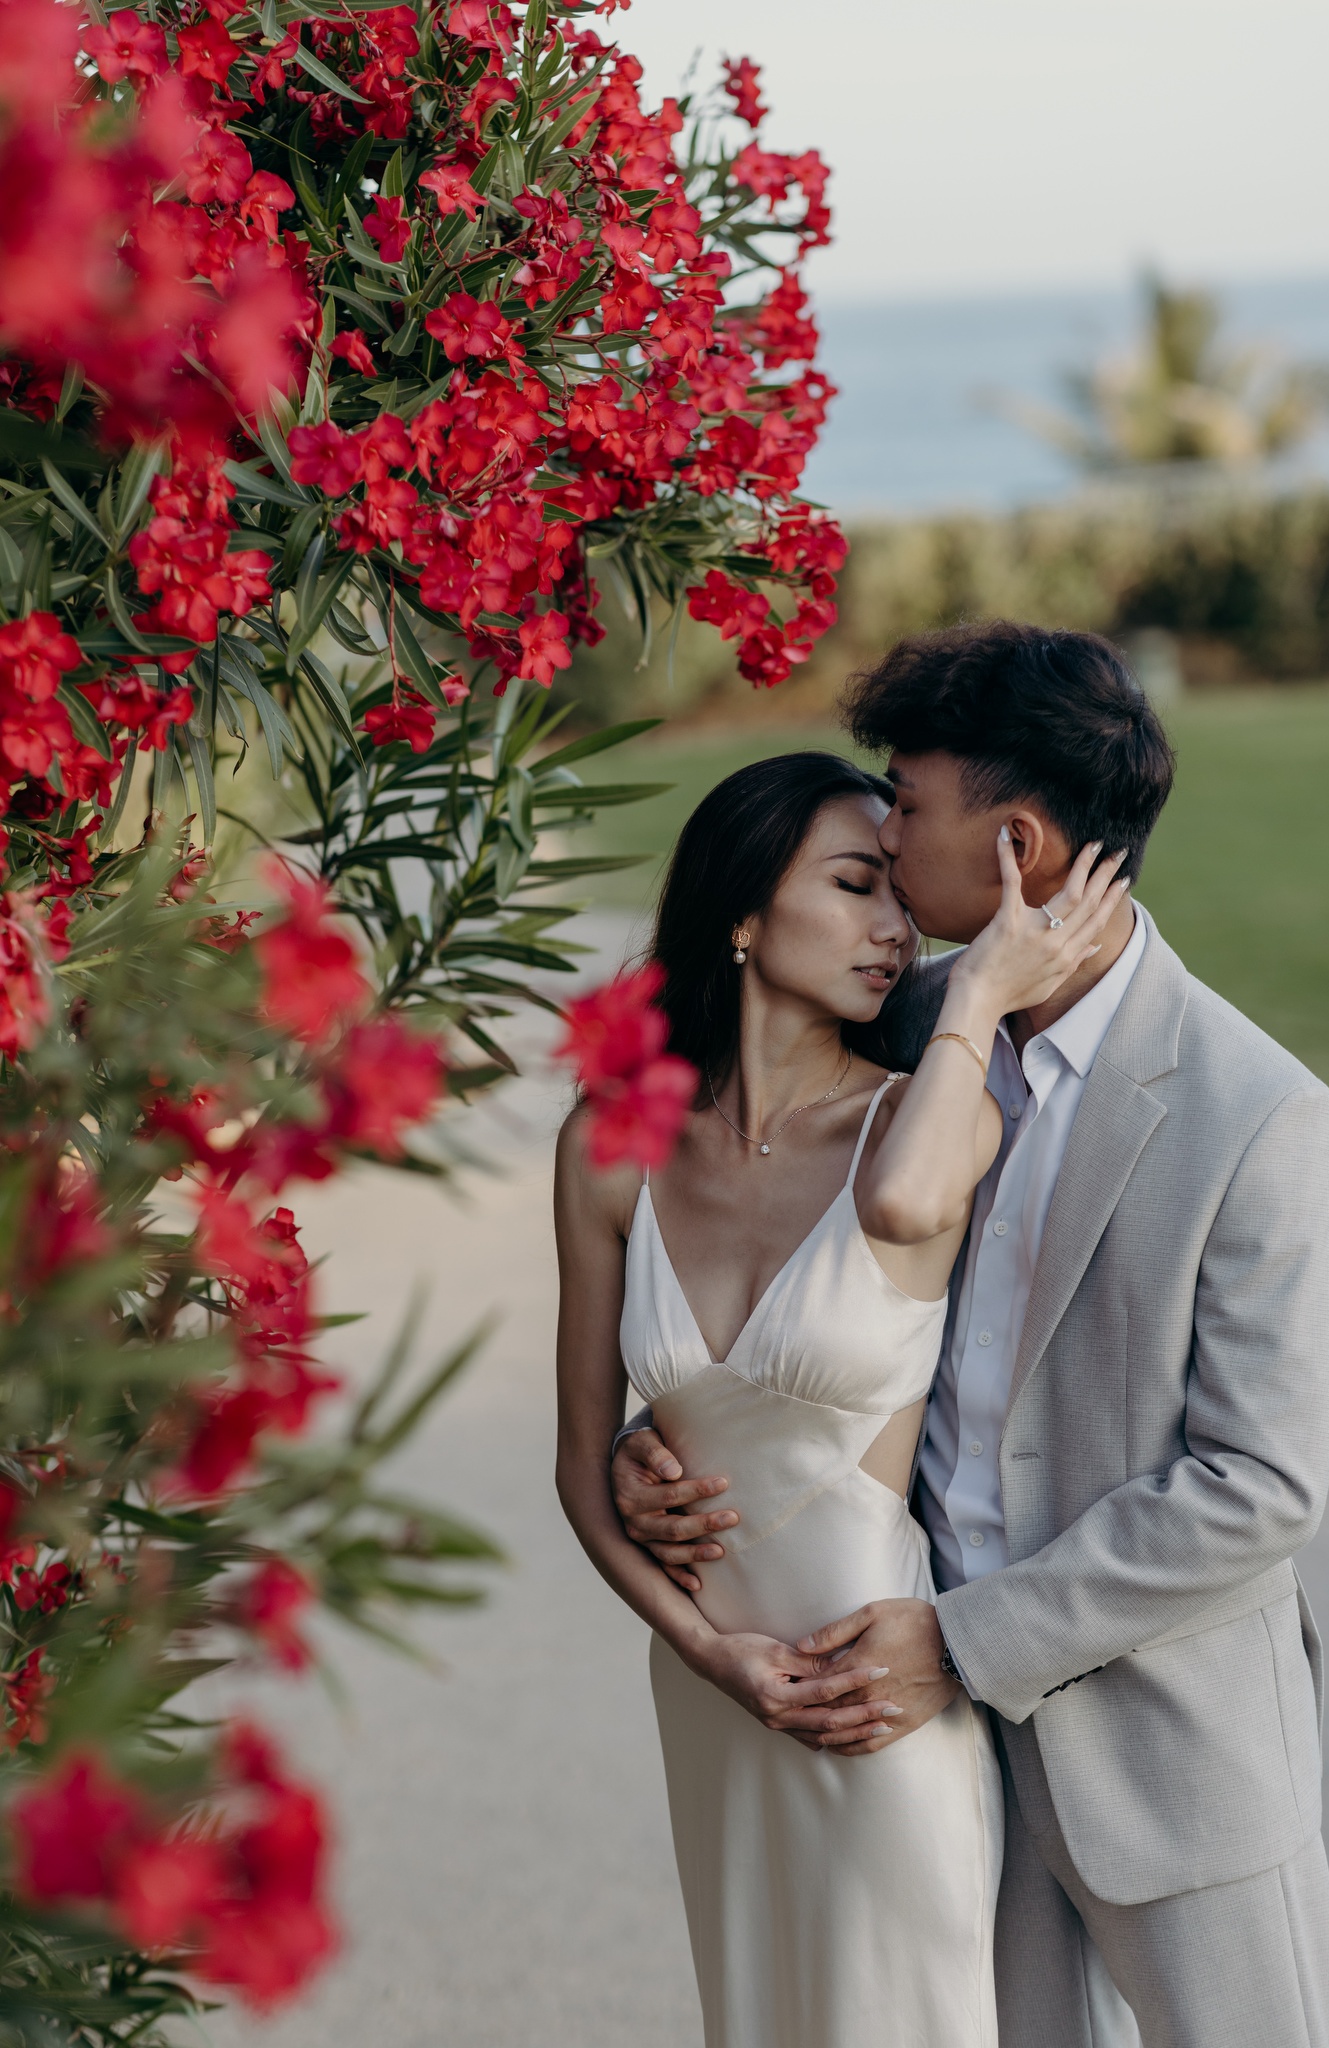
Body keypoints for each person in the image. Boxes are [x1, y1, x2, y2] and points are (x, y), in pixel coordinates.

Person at [611, 622, 1329, 2048]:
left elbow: (1255, 1489)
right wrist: (674, 1431)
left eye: (907, 802)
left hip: (1169, 1753)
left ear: (1017, 848)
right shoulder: (907, 1021)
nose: (883, 835)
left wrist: (960, 1640)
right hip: (930, 1766)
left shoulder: (1252, 1114)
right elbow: (794, 1275)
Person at [556, 744, 1131, 2048]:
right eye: (854, 884)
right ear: (744, 912)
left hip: (874, 1701)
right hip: (713, 1697)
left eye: (895, 891)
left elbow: (908, 1207)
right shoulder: (608, 1144)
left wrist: (978, 988)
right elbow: (578, 1462)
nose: (896, 928)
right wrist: (712, 1656)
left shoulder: (915, 1121)